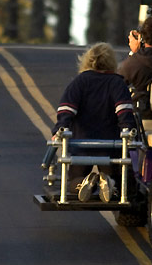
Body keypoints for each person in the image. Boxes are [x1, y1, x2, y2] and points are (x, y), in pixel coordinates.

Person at [53, 43, 135, 203]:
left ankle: (86, 183)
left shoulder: (79, 82)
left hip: (82, 145)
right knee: (121, 184)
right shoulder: (117, 83)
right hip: (111, 147)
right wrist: (129, 131)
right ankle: (107, 182)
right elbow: (124, 112)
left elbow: (66, 111)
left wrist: (59, 129)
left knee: (73, 182)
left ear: (87, 60)